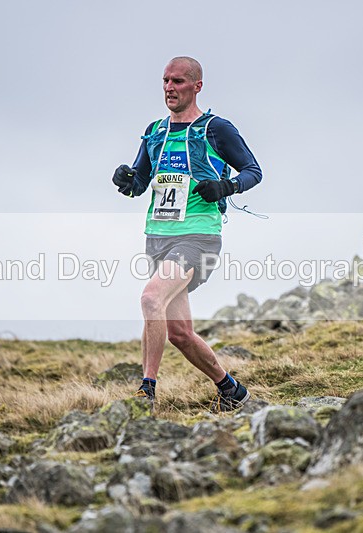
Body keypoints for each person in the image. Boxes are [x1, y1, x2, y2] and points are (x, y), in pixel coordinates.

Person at [112, 56, 262, 412]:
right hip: (158, 237)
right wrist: (126, 182)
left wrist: (226, 186)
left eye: (178, 81)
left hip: (199, 237)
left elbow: (254, 170)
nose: (169, 88)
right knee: (179, 333)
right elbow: (140, 182)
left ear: (197, 86)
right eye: (165, 81)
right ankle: (233, 391)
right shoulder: (156, 132)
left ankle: (146, 390)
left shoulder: (216, 129)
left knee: (151, 298)